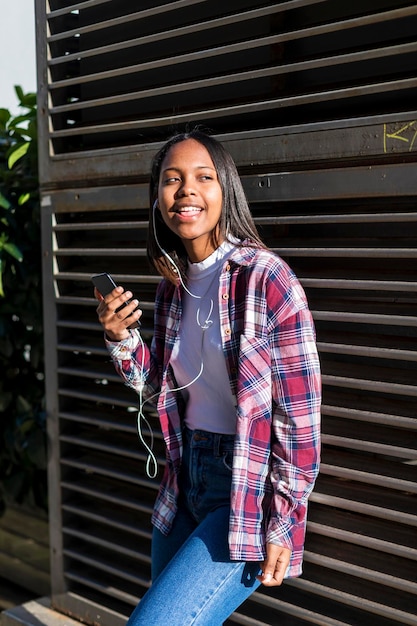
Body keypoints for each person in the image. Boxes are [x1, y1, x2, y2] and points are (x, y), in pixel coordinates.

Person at [95, 130, 321, 625]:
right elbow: (160, 392)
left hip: (243, 489)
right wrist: (122, 340)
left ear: (226, 189)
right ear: (157, 199)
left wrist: (285, 520)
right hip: (183, 483)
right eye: (172, 180)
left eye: (203, 177)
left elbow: (300, 417)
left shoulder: (266, 278)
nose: (186, 190)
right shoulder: (170, 287)